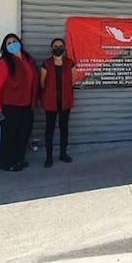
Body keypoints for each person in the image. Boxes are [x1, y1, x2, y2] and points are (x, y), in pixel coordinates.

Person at [0, 33, 40, 172]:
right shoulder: (3, 63)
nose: (12, 44)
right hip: (9, 105)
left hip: (27, 104)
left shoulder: (28, 60)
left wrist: (36, 99)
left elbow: (34, 81)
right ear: (5, 47)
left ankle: (19, 160)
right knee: (10, 135)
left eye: (14, 41)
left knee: (24, 133)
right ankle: (9, 163)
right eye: (9, 43)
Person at [40, 37, 78, 167]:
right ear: (51, 48)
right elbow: (42, 82)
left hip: (65, 101)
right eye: (55, 46)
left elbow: (73, 80)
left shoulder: (70, 63)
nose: (58, 48)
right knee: (49, 129)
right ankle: (49, 157)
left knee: (64, 128)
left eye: (60, 46)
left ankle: (63, 153)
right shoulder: (46, 64)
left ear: (64, 48)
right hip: (50, 102)